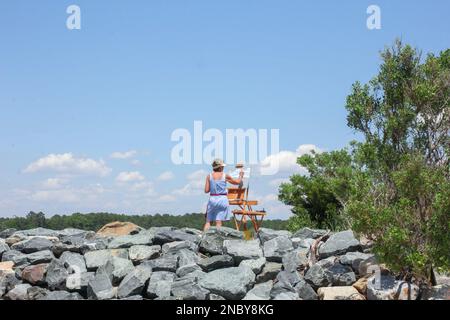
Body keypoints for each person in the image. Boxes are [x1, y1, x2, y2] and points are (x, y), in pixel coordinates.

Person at [203, 158, 244, 231]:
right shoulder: (225, 176)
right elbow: (237, 182)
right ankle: (217, 238)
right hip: (222, 199)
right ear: (220, 167)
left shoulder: (209, 176)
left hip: (212, 199)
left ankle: (203, 237)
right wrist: (240, 175)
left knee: (208, 221)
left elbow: (206, 190)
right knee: (218, 221)